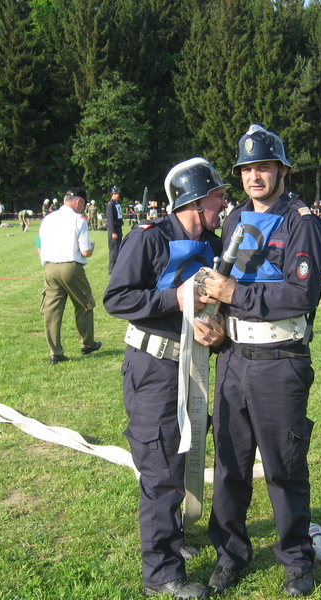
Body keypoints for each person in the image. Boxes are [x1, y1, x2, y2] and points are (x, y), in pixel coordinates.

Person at [199, 125, 321, 597]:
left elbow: (300, 294)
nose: (255, 176)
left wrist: (234, 293)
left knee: (284, 467)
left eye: (264, 168)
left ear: (282, 171)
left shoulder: (303, 222)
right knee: (230, 467)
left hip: (280, 361)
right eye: (247, 169)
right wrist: (215, 322)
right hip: (232, 360)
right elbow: (220, 281)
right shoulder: (234, 219)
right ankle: (230, 555)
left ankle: (296, 558)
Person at [103, 158, 229, 599]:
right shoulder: (148, 238)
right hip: (154, 369)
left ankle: (173, 537)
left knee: (184, 458)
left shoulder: (215, 244)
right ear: (195, 200)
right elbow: (117, 298)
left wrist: (219, 330)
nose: (224, 204)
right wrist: (173, 298)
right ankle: (161, 573)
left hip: (195, 367)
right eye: (218, 197)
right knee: (159, 466)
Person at [39, 188, 101, 365]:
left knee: (52, 311)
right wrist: (92, 247)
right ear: (78, 201)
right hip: (71, 267)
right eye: (83, 204)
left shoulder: (48, 218)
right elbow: (85, 251)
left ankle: (55, 352)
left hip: (50, 267)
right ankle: (87, 343)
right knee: (84, 304)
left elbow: (39, 245)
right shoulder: (79, 220)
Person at [106, 185, 124, 273]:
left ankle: (117, 267)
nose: (118, 195)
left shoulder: (117, 204)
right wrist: (113, 232)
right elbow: (110, 220)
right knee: (114, 250)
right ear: (112, 194)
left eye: (118, 193)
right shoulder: (110, 205)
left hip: (118, 228)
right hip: (114, 229)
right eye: (116, 193)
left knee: (118, 248)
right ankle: (112, 269)